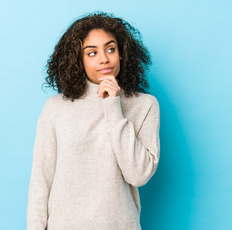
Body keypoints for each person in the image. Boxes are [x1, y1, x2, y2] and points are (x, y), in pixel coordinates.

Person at [26, 12, 160, 230]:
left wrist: (113, 107)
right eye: (91, 53)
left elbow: (139, 175)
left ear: (121, 53)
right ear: (78, 60)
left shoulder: (145, 105)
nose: (104, 59)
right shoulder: (56, 108)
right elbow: (41, 179)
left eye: (110, 49)